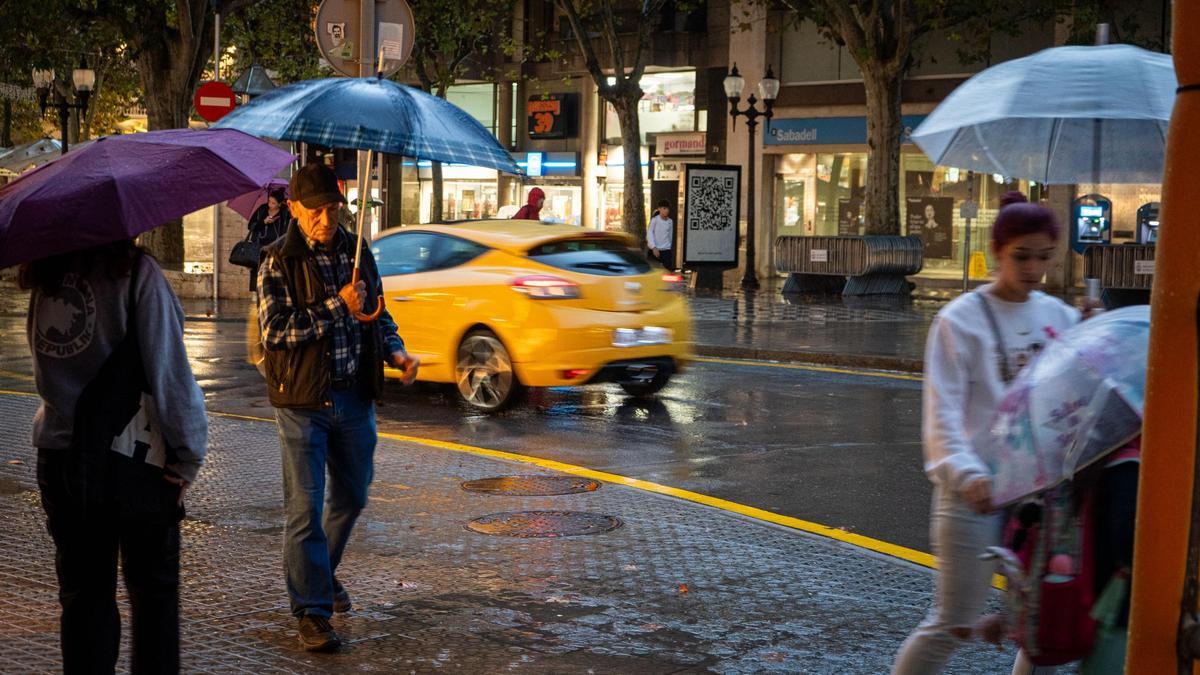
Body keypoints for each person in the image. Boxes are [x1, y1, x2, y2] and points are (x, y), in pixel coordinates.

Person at [892, 192, 1086, 675]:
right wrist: (964, 473)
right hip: (974, 498)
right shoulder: (960, 321)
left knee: (1042, 629)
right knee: (953, 624)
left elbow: (1076, 401)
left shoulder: (1059, 317)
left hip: (1041, 498)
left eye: (1045, 257)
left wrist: (1091, 332)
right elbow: (942, 414)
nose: (1034, 268)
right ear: (998, 251)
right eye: (1022, 256)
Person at [20, 240, 208, 673]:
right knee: (153, 601)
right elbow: (171, 377)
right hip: (134, 461)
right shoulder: (136, 274)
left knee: (84, 602)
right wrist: (188, 458)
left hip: (61, 458)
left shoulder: (47, 277)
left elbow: (45, 371)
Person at [257, 163, 420, 652]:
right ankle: (311, 610)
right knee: (304, 509)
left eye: (333, 209)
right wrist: (336, 306)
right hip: (302, 401)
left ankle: (320, 576)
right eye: (316, 211)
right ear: (294, 209)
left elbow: (377, 310)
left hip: (353, 397)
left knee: (351, 497)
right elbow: (276, 333)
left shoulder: (356, 250)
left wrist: (395, 349)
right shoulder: (275, 261)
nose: (326, 220)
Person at [245, 188, 292, 294]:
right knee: (258, 275)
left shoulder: (285, 213)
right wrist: (264, 222)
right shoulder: (262, 209)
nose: (270, 204)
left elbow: (289, 228)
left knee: (274, 275)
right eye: (269, 201)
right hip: (259, 247)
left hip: (276, 249)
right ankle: (258, 295)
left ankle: (272, 294)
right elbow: (251, 225)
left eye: (273, 203)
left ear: (280, 204)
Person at [647, 200, 675, 271]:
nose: (666, 210)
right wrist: (653, 247)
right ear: (659, 209)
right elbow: (650, 233)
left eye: (668, 208)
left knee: (667, 272)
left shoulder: (670, 221)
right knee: (652, 271)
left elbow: (670, 235)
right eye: (664, 208)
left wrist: (668, 247)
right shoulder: (655, 220)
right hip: (655, 250)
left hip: (666, 251)